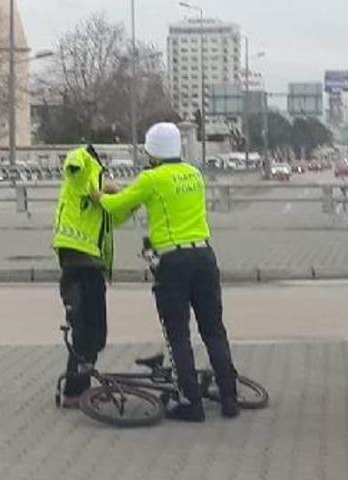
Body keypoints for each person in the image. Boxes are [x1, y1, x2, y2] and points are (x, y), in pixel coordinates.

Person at [91, 123, 239, 422]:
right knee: (213, 329)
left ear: (152, 151)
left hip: (174, 262)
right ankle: (230, 398)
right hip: (205, 257)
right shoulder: (194, 174)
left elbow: (116, 205)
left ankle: (190, 403)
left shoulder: (152, 178)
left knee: (178, 333)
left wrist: (99, 193)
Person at [52, 145, 124, 407]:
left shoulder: (93, 190)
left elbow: (114, 214)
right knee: (85, 328)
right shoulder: (81, 170)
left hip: (90, 262)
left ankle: (82, 384)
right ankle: (75, 391)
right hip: (77, 260)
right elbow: (75, 164)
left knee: (94, 330)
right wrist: (102, 185)